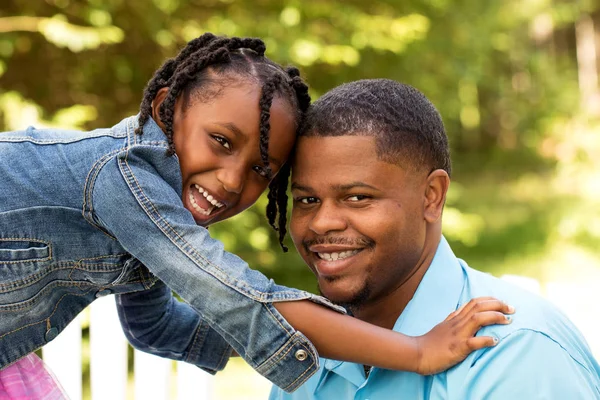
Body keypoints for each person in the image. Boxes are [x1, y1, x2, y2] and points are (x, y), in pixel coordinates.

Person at [0, 34, 511, 395]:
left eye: (260, 171)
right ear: (163, 109)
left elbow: (153, 326)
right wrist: (415, 350)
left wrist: (334, 342)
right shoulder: (121, 178)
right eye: (220, 142)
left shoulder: (150, 216)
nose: (229, 181)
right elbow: (237, 297)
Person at [270, 79, 600, 399]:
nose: (322, 223)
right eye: (307, 200)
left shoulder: (514, 352)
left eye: (357, 197)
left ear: (431, 197)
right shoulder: (306, 355)